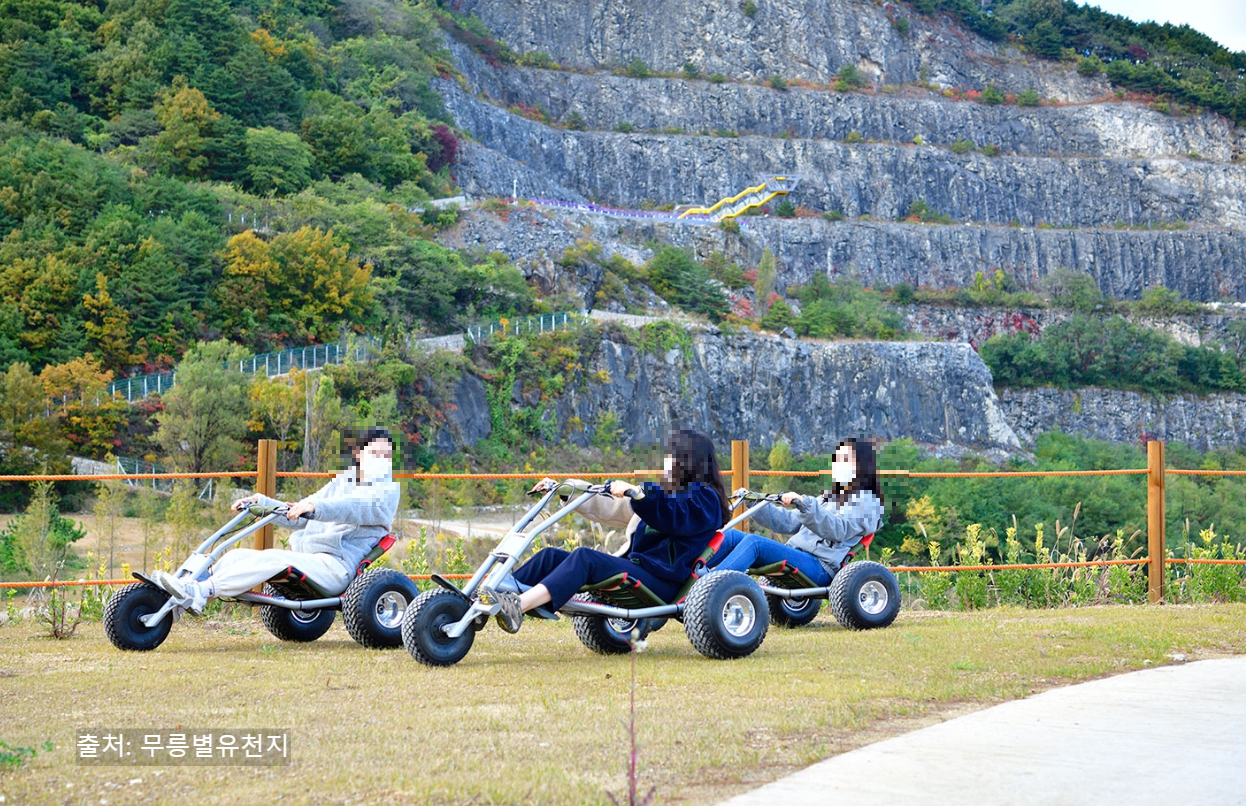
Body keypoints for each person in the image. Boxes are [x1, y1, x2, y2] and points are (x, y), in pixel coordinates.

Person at [484, 430, 729, 633]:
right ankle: (490, 598)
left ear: (686, 461)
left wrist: (641, 495)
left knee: (585, 557)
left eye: (669, 456)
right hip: (642, 570)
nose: (663, 462)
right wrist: (563, 489)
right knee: (550, 555)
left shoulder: (706, 499)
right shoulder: (663, 495)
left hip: (663, 582)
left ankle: (519, 606)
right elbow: (610, 507)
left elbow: (674, 518)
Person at [150, 427, 400, 614]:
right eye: (374, 452)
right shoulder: (341, 482)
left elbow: (359, 508)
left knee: (272, 557)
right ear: (359, 454)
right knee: (236, 556)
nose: (380, 459)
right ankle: (183, 589)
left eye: (384, 455)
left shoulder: (386, 490)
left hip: (336, 566)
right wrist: (263, 503)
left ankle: (201, 592)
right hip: (310, 560)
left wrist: (316, 506)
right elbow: (298, 515)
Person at [707, 438, 884, 586]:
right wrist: (753, 501)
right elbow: (788, 522)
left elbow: (839, 529)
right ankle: (688, 577)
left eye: (845, 459)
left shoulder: (867, 501)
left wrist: (805, 503)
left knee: (754, 543)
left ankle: (710, 586)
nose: (837, 464)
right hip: (798, 555)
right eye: (837, 459)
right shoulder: (830, 497)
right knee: (730, 536)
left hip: (820, 567)